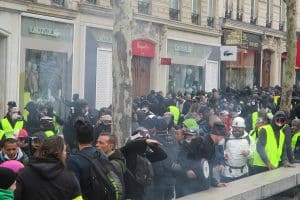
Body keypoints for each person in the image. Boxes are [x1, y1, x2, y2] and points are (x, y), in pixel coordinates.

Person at [14, 136, 83, 200]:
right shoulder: (70, 178)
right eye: (64, 150)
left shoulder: (23, 173)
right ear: (59, 153)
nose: (66, 153)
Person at [67, 119, 110, 200]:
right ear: (93, 138)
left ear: (76, 139)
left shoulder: (73, 160)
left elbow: (72, 188)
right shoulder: (102, 155)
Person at [121, 127, 167, 200]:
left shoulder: (145, 155)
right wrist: (145, 141)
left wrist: (152, 145)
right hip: (130, 191)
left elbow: (162, 155)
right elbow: (131, 145)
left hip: (144, 191)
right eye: (141, 140)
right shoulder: (127, 152)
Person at [220, 117, 256, 182]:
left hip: (243, 173)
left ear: (244, 128)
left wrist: (248, 153)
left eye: (239, 128)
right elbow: (219, 149)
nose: (237, 130)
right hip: (228, 173)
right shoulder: (227, 137)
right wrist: (224, 154)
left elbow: (253, 152)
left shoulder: (249, 139)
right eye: (235, 128)